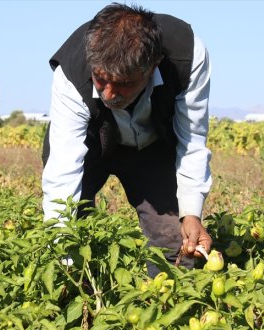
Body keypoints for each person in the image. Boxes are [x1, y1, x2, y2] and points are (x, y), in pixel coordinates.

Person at [41, 2, 212, 274]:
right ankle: (82, 299)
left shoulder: (187, 55)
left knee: (173, 241)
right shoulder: (72, 70)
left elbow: (192, 139)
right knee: (75, 231)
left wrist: (191, 213)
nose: (109, 94)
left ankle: (168, 304)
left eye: (124, 83)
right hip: (91, 143)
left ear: (152, 66)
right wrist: (61, 252)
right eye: (100, 79)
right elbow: (64, 168)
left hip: (152, 147)